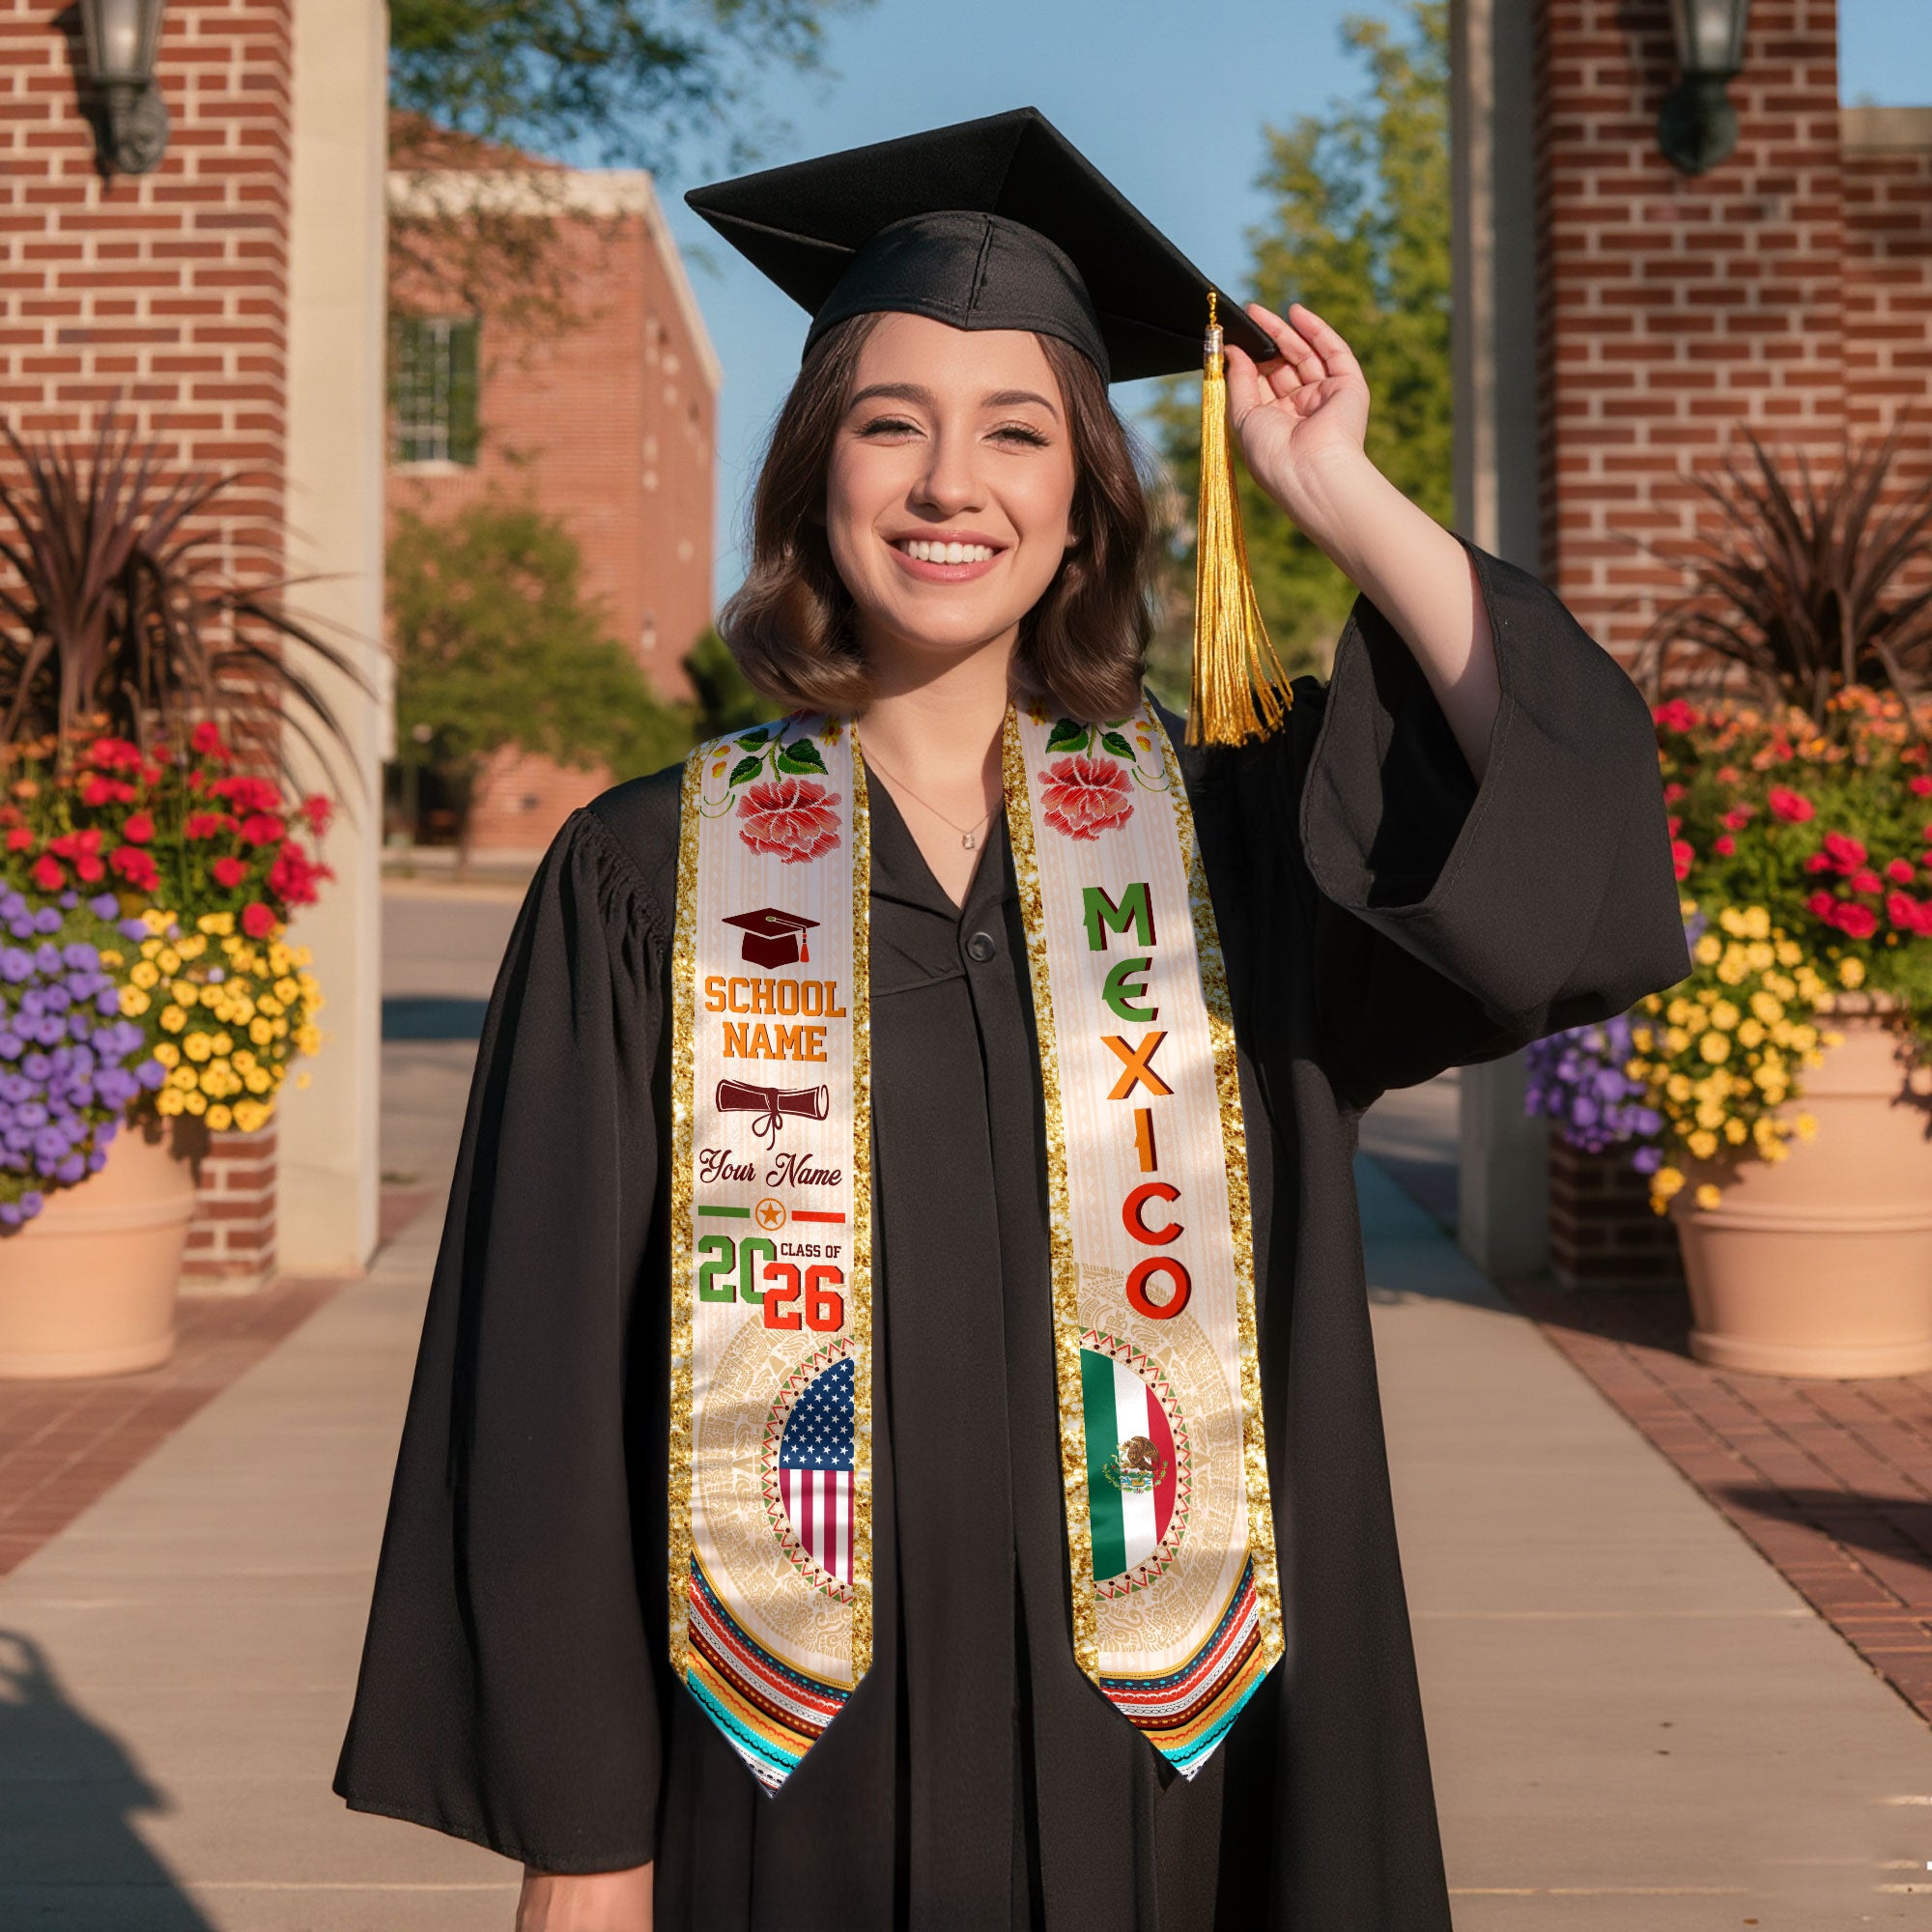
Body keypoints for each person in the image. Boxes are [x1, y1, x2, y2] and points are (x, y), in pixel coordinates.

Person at [333, 109, 1690, 1932]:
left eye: (1016, 433)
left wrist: (1336, 491)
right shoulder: (647, 878)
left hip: (1183, 1775)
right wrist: (586, 1843)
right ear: (819, 472)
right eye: (892, 424)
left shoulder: (1228, 851)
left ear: (1082, 506)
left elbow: (1557, 821)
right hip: (777, 1780)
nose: (947, 483)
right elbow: (548, 1385)